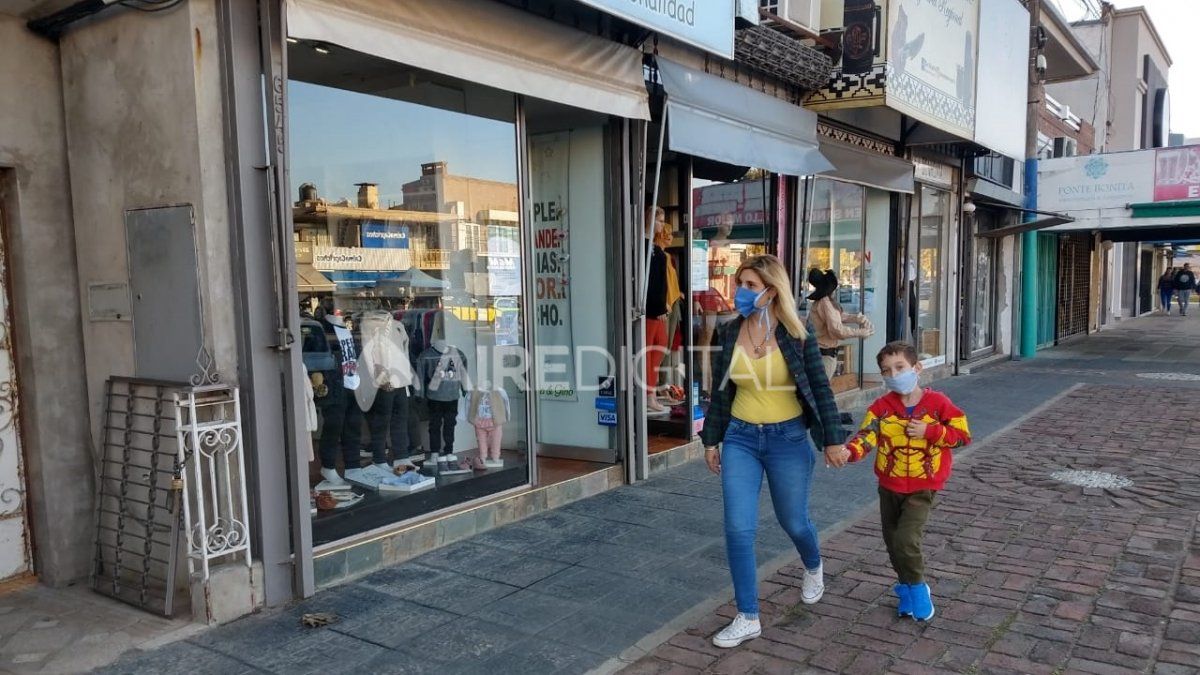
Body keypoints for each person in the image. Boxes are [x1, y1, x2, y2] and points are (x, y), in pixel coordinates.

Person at [701, 254, 847, 649]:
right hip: (741, 439)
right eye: (740, 283)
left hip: (788, 440)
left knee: (794, 521)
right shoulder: (731, 332)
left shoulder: (795, 333)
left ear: (771, 289)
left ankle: (813, 565)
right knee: (738, 528)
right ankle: (748, 615)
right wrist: (711, 440)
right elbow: (721, 393)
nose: (741, 292)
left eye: (750, 286)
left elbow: (819, 388)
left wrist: (833, 440)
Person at [841, 341, 971, 622]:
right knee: (892, 542)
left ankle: (918, 587)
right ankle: (906, 589)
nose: (894, 374)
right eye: (887, 370)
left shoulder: (938, 404)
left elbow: (962, 435)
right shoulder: (881, 407)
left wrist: (931, 431)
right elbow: (866, 437)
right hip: (889, 485)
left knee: (906, 539)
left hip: (923, 486)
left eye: (900, 367)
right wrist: (848, 452)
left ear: (916, 368)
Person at [807, 269, 875, 380]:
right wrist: (860, 332)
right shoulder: (825, 302)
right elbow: (836, 329)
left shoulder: (824, 302)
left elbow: (838, 316)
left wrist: (857, 318)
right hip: (823, 355)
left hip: (822, 354)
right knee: (821, 390)